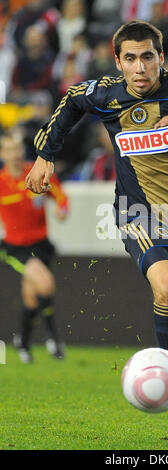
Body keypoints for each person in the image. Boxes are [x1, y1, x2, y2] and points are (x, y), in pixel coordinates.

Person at [25, 20, 168, 429]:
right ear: (119, 62)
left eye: (148, 56)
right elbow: (74, 99)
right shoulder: (107, 95)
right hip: (138, 213)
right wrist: (46, 154)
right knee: (167, 288)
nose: (140, 67)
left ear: (161, 58)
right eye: (130, 58)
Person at [0, 130, 69, 363]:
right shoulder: (1, 182)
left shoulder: (36, 173)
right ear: (2, 154)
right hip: (15, 247)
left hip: (41, 245)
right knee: (46, 285)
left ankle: (23, 342)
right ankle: (53, 339)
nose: (14, 154)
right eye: (9, 150)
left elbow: (60, 196)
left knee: (31, 299)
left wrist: (62, 209)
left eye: (17, 149)